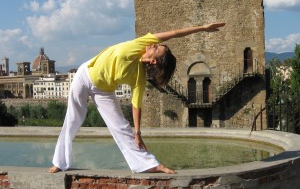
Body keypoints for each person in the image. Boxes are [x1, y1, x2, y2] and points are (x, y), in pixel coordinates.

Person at [49, 22, 225, 174]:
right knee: (73, 119)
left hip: (103, 91)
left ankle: (149, 165)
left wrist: (138, 133)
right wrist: (202, 28)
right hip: (85, 75)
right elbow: (173, 34)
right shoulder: (139, 45)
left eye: (157, 48)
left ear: (154, 61)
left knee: (122, 128)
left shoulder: (139, 77)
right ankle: (59, 162)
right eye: (156, 44)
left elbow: (136, 106)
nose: (154, 44)